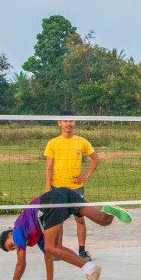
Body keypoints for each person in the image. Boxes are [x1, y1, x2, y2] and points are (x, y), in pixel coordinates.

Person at [0, 187, 113, 280]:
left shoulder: (17, 231)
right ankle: (110, 211)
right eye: (12, 249)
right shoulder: (34, 233)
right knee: (103, 220)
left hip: (50, 202)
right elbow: (47, 253)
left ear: (10, 234)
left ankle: (90, 270)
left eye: (11, 245)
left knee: (52, 246)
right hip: (63, 192)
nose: (15, 247)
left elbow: (21, 263)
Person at [44, 112, 100, 262]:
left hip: (75, 188)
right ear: (59, 123)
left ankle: (82, 251)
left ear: (75, 122)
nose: (68, 123)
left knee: (80, 219)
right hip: (57, 188)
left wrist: (85, 175)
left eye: (71, 120)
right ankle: (58, 250)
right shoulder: (53, 143)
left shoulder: (81, 141)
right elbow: (49, 166)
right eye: (65, 120)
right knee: (57, 221)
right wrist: (48, 188)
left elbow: (95, 159)